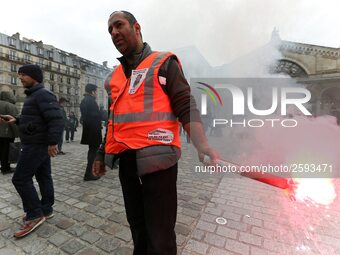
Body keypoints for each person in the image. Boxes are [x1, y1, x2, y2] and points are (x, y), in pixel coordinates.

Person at [92, 11, 219, 254]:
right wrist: (101, 153)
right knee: (137, 227)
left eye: (119, 25)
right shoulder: (115, 77)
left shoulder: (163, 63)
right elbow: (113, 120)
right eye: (110, 30)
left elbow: (185, 104)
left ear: (136, 27)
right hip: (127, 162)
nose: (114, 32)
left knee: (160, 235)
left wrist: (202, 145)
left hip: (159, 162)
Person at [0, 64, 64, 238]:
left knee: (20, 179)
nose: (20, 77)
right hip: (36, 143)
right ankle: (46, 209)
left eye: (23, 75)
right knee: (44, 177)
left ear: (34, 77)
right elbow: (35, 119)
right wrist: (16, 120)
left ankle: (35, 214)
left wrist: (53, 143)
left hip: (36, 145)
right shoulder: (34, 95)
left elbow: (56, 120)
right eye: (19, 74)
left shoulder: (43, 94)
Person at [80, 84, 102, 181]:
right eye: (96, 91)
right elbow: (95, 116)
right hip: (93, 130)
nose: (97, 93)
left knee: (92, 151)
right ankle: (89, 174)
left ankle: (89, 173)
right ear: (92, 91)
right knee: (93, 152)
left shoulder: (84, 100)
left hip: (89, 129)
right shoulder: (91, 101)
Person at [0, 90, 19, 174]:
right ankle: (5, 168)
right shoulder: (11, 106)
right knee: (6, 150)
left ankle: (3, 166)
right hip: (8, 133)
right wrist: (17, 133)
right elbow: (14, 121)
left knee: (1, 149)